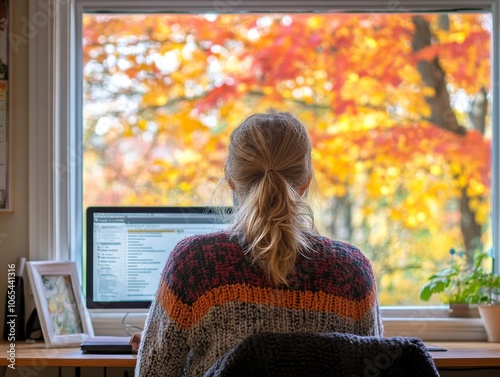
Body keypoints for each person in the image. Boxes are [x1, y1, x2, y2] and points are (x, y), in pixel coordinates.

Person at [134, 109, 383, 376]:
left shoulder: (194, 263)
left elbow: (152, 373)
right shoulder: (352, 270)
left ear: (231, 181)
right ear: (305, 182)